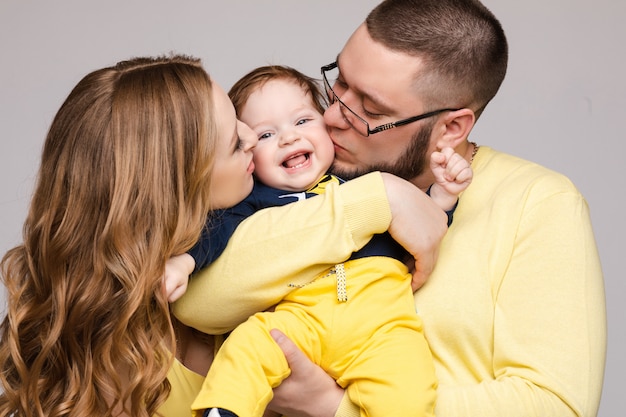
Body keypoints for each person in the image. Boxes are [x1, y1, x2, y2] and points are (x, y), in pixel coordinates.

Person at [178, 1, 607, 416]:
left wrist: (335, 409)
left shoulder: (540, 204)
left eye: (369, 108)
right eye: (338, 82)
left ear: (451, 127)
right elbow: (198, 304)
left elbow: (558, 406)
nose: (332, 116)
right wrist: (375, 199)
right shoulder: (304, 179)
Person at [0, 54, 448, 416]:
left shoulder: (276, 247)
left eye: (239, 121)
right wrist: (382, 197)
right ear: (179, 186)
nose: (254, 138)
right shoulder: (123, 356)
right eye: (235, 142)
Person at [168, 65, 471, 417]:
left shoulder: (366, 182)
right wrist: (185, 261)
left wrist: (443, 197)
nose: (288, 139)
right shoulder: (251, 201)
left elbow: (421, 229)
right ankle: (223, 410)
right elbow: (213, 234)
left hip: (382, 325)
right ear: (247, 151)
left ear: (327, 127)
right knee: (249, 345)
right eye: (265, 135)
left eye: (301, 122)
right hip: (300, 319)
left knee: (411, 392)